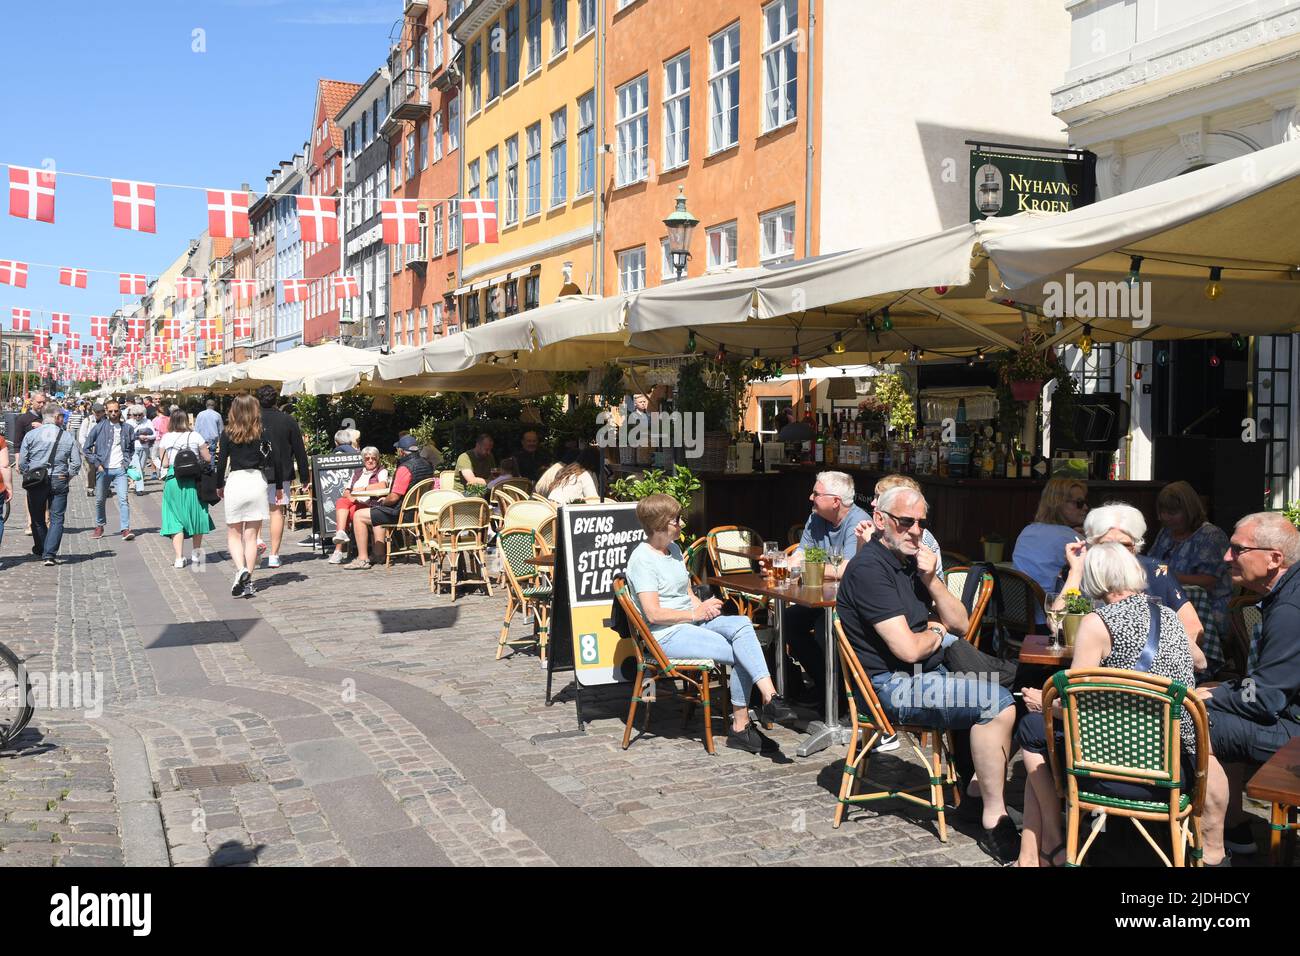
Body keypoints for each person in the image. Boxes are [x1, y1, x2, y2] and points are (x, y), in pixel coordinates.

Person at [835, 484, 1018, 862]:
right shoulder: (870, 569)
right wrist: (935, 631)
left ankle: (971, 793)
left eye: (921, 522)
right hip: (893, 687)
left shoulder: (910, 563)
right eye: (906, 522)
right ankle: (992, 815)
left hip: (927, 674)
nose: (916, 531)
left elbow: (962, 624)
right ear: (881, 520)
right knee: (997, 704)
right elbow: (908, 649)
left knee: (1023, 698)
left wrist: (932, 580)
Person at [1014, 543, 1199, 867]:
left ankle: (1053, 846)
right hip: (1176, 773)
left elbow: (1077, 706)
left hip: (1118, 773)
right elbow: (1198, 663)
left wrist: (1043, 704)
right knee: (1040, 730)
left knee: (1032, 728)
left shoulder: (1098, 622)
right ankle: (1037, 854)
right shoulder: (1171, 617)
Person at [625, 493, 796, 754]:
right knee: (743, 653)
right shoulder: (642, 560)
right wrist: (695, 614)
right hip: (665, 635)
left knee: (742, 625)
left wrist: (702, 607)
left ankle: (770, 698)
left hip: (691, 624)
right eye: (676, 519)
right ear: (660, 524)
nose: (681, 524)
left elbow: (687, 593)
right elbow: (653, 614)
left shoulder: (672, 549)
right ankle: (742, 725)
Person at [1200, 513, 1300, 865]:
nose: (1227, 557)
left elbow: (1264, 698)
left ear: (1274, 558)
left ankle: (1212, 851)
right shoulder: (1290, 591)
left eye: (1237, 549)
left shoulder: (1290, 608)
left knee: (1195, 723)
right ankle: (1237, 831)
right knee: (1213, 703)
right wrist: (1221, 692)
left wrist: (1214, 695)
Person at [1054, 502, 1207, 671]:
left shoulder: (1155, 571)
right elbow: (1056, 624)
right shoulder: (1083, 569)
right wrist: (1076, 570)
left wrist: (1162, 660)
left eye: (1124, 545)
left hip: (1142, 678)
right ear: (1091, 545)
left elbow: (1194, 627)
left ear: (1136, 546)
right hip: (1093, 665)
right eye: (1106, 545)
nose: (1117, 552)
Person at [784, 471, 871, 709]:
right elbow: (800, 554)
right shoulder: (816, 518)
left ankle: (845, 696)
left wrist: (805, 565)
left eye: (816, 493)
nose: (810, 497)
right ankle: (826, 687)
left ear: (836, 501)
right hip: (820, 597)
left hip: (853, 603)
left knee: (827, 626)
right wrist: (796, 562)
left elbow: (847, 569)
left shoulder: (859, 523)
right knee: (789, 620)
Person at [1148, 480, 1232, 675]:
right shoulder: (1166, 534)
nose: (1165, 518)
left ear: (1190, 510)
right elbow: (1152, 564)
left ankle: (1194, 675)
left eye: (1172, 512)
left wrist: (1170, 577)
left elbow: (1208, 581)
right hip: (1169, 604)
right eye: (1162, 512)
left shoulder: (1211, 536)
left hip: (1208, 608)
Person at [347, 435, 433, 570]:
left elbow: (393, 497)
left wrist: (383, 502)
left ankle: (362, 558)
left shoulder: (405, 468)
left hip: (400, 513)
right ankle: (379, 554)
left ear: (402, 452)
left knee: (359, 515)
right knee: (375, 513)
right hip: (417, 511)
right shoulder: (427, 464)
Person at [215, 395, 271, 598]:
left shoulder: (228, 432)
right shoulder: (261, 432)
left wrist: (218, 485)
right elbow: (268, 458)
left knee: (234, 533)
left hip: (236, 481)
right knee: (251, 536)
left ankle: (241, 570)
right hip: (256, 481)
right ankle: (248, 582)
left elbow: (221, 463)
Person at [1012, 478, 1088, 614]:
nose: (1085, 507)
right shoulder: (1070, 538)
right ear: (1058, 504)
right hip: (1051, 616)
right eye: (1079, 503)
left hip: (1018, 615)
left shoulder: (1027, 531)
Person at [19, 406, 82, 566]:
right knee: (57, 518)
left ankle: (41, 548)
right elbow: (76, 463)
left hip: (37, 480)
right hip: (59, 478)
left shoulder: (31, 435)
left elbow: (22, 462)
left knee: (37, 517)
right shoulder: (67, 437)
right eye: (62, 416)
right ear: (57, 417)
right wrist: (67, 477)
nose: (63, 419)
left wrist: (29, 473)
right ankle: (49, 554)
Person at [255, 385, 310, 570]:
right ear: (276, 400)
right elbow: (299, 450)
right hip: (281, 473)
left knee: (255, 512)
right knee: (277, 512)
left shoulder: (251, 420)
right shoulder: (287, 420)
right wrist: (304, 476)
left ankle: (257, 541)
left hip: (255, 472)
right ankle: (274, 555)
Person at [157, 408, 214, 569]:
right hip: (195, 481)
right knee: (197, 515)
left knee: (175, 518)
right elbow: (208, 459)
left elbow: (166, 463)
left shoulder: (166, 438)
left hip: (174, 481)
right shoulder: (195, 436)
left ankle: (179, 558)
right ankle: (197, 556)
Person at [853, 474, 945, 569]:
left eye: (879, 498)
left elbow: (898, 574)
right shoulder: (878, 526)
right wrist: (862, 542)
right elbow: (860, 567)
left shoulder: (920, 537)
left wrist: (871, 542)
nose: (872, 503)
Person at [83, 400, 137, 540]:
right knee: (100, 500)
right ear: (106, 411)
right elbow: (86, 448)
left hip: (120, 470)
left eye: (116, 411)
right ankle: (99, 526)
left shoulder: (127, 428)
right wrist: (97, 463)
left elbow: (131, 448)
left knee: (123, 499)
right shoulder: (99, 427)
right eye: (111, 411)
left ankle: (125, 529)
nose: (113, 413)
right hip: (103, 469)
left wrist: (125, 463)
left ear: (120, 411)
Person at [329, 447, 388, 565]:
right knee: (343, 501)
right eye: (367, 458)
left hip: (370, 504)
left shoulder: (381, 471)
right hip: (355, 504)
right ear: (363, 460)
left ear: (377, 459)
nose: (370, 461)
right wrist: (352, 498)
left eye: (373, 458)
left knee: (343, 508)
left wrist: (363, 489)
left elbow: (382, 485)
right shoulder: (357, 473)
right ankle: (340, 533)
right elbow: (346, 491)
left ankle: (338, 550)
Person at [14, 391, 45, 534]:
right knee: (30, 492)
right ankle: (30, 522)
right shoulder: (23, 419)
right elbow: (17, 442)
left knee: (48, 492)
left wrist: (43, 426)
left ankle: (47, 520)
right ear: (31, 402)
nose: (42, 405)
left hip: (47, 459)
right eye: (39, 402)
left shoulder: (48, 418)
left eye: (43, 402)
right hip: (30, 461)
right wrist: (18, 460)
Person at [126, 405, 155, 494]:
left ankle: (134, 482)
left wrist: (146, 437)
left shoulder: (148, 421)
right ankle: (139, 489)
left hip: (145, 447)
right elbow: (126, 436)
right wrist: (138, 437)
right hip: (133, 447)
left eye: (140, 415)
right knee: (137, 468)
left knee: (141, 468)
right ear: (132, 414)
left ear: (143, 414)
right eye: (135, 415)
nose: (138, 417)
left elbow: (154, 435)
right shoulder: (129, 422)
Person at [77, 402, 103, 498]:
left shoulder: (105, 421)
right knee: (91, 469)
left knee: (103, 468)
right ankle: (91, 488)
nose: (99, 413)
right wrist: (86, 447)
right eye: (97, 412)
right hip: (90, 448)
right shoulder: (87, 420)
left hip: (102, 449)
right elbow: (81, 436)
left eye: (101, 412)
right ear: (93, 411)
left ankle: (103, 487)